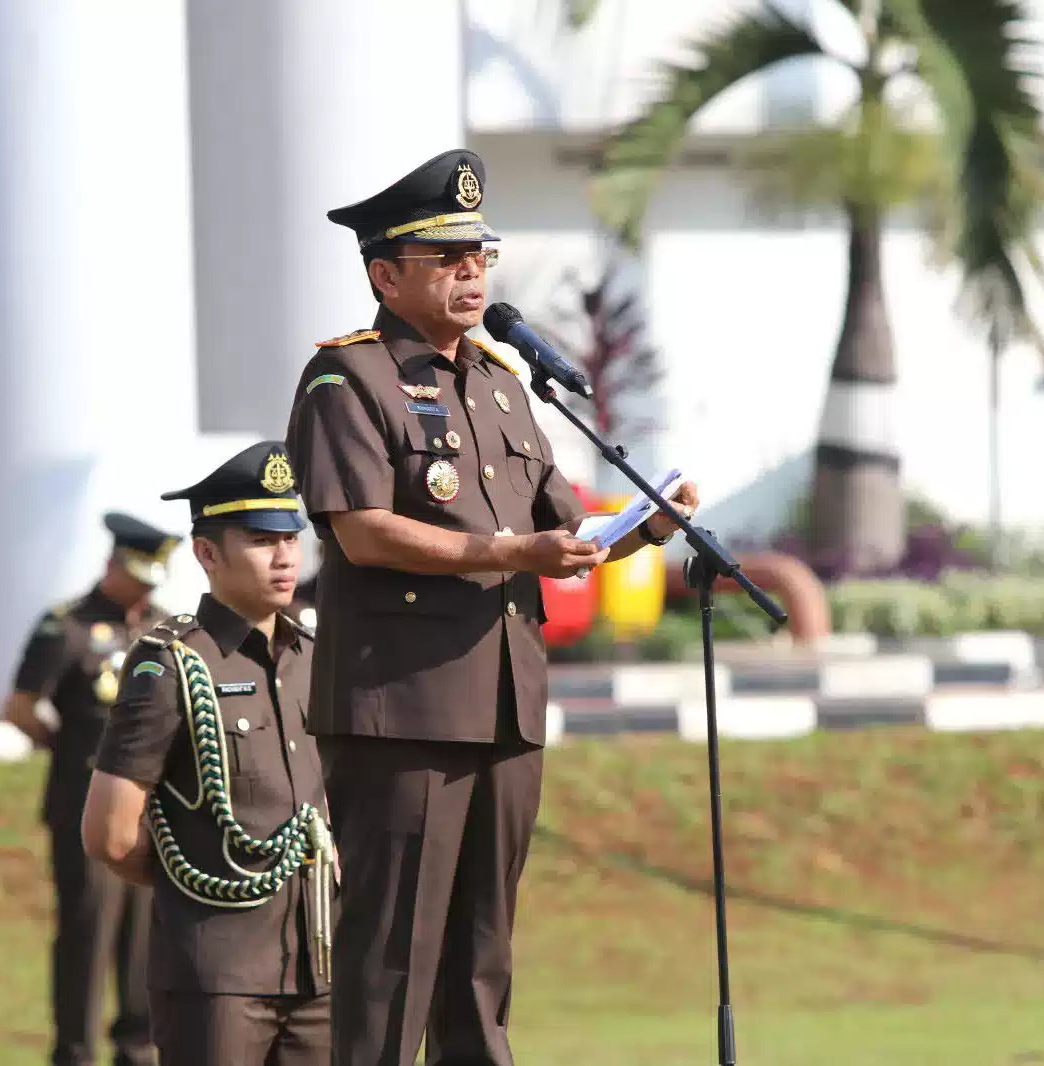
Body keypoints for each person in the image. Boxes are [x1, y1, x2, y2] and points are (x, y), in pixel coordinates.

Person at [283, 148, 699, 1066]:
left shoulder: (507, 383)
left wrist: (642, 526)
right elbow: (363, 533)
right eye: (448, 259)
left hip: (506, 708)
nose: (472, 273)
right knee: (392, 965)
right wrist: (514, 552)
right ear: (385, 275)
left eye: (481, 256)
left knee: (482, 963)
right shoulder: (348, 384)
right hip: (403, 712)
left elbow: (564, 525)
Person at [83, 441, 337, 1066]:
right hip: (216, 978)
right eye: (259, 539)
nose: (283, 556)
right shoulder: (169, 661)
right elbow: (111, 833)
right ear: (206, 552)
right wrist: (203, 886)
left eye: (290, 537)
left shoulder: (316, 654)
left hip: (322, 969)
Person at [4, 512, 180, 1066]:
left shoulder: (166, 628)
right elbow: (20, 708)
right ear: (112, 565)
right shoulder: (67, 626)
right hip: (84, 807)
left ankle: (138, 1048)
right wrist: (66, 751)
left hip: (152, 811)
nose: (147, 588)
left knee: (144, 939)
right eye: (139, 574)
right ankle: (75, 1051)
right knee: (88, 933)